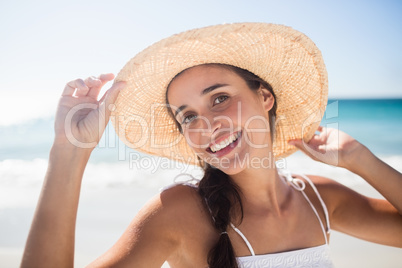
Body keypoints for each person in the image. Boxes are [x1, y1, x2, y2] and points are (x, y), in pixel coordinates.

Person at [21, 23, 401, 268]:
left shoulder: (320, 200)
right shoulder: (179, 212)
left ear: (265, 97)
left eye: (219, 98)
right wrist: (69, 152)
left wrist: (360, 160)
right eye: (187, 116)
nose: (207, 126)